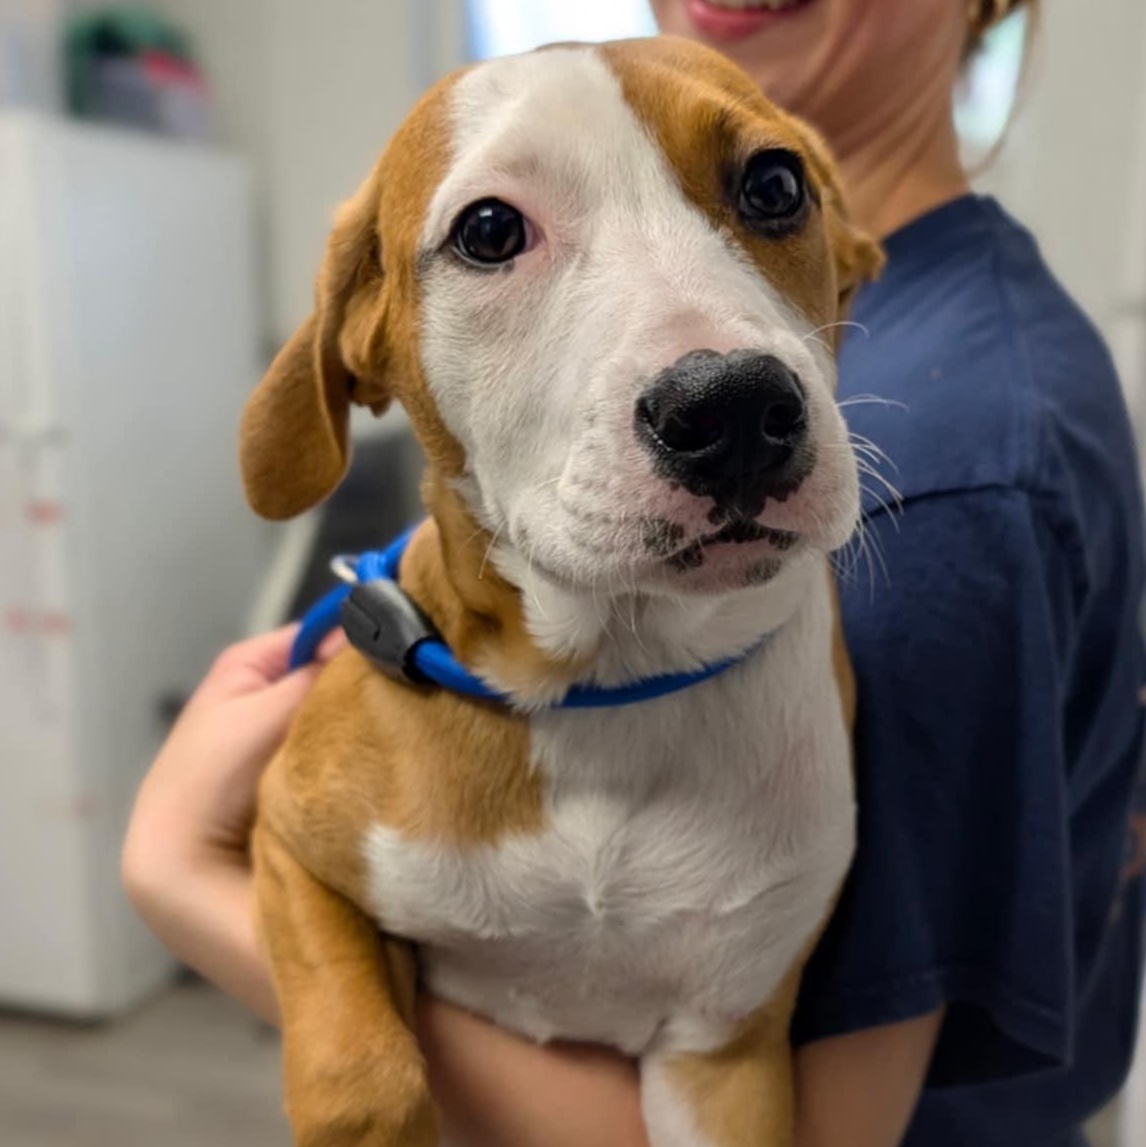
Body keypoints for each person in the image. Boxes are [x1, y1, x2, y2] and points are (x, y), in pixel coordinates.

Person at [122, 0, 1146, 1143]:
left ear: (846, 274)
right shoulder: (969, 362)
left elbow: (765, 1082)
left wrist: (178, 875)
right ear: (369, 339)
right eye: (494, 234)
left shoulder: (954, 494)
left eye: (765, 194)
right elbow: (310, 852)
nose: (717, 369)